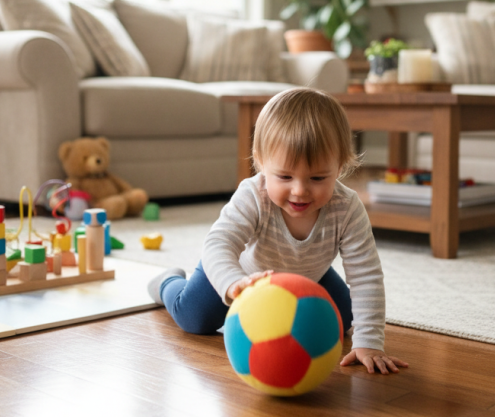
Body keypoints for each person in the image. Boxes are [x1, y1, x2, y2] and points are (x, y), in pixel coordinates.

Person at [148, 87, 408, 374]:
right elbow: (218, 244)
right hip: (242, 275)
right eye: (284, 176)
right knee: (194, 318)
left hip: (309, 274)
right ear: (260, 162)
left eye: (318, 177)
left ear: (341, 166)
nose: (300, 190)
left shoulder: (347, 207)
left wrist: (369, 341)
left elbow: (366, 275)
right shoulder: (254, 195)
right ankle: (167, 282)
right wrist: (233, 282)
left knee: (343, 320)